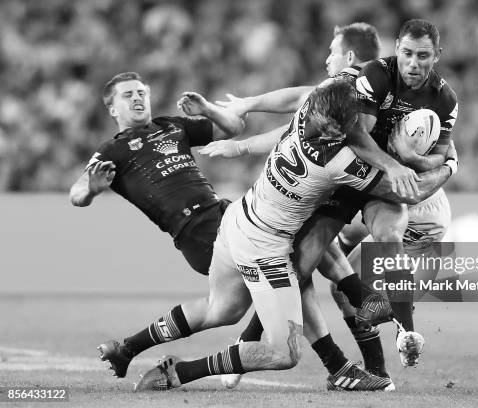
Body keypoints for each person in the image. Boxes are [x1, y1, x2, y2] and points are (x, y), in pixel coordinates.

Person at [71, 72, 389, 391]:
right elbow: (77, 194)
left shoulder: (171, 126)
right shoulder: (113, 150)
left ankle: (127, 349)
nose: (138, 98)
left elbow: (233, 126)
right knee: (297, 259)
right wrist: (92, 189)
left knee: (222, 309)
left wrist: (208, 109)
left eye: (141, 92)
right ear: (112, 108)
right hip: (195, 229)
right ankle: (338, 354)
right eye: (128, 95)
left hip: (221, 210)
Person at [135, 78, 451, 392]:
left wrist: (243, 131)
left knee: (225, 308)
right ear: (335, 129)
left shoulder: (307, 111)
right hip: (266, 246)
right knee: (283, 350)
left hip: (241, 219)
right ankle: (183, 371)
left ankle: (129, 346)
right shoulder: (337, 161)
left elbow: (299, 98)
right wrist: (447, 164)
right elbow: (406, 193)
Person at [208, 19, 458, 380]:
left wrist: (424, 162)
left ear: (437, 56)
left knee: (386, 236)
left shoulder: (444, 99)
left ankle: (405, 332)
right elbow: (345, 131)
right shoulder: (368, 78)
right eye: (407, 54)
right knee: (304, 264)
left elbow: (443, 152)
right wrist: (243, 125)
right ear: (396, 51)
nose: (414, 64)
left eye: (423, 56)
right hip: (352, 176)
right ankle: (246, 344)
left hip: (384, 184)